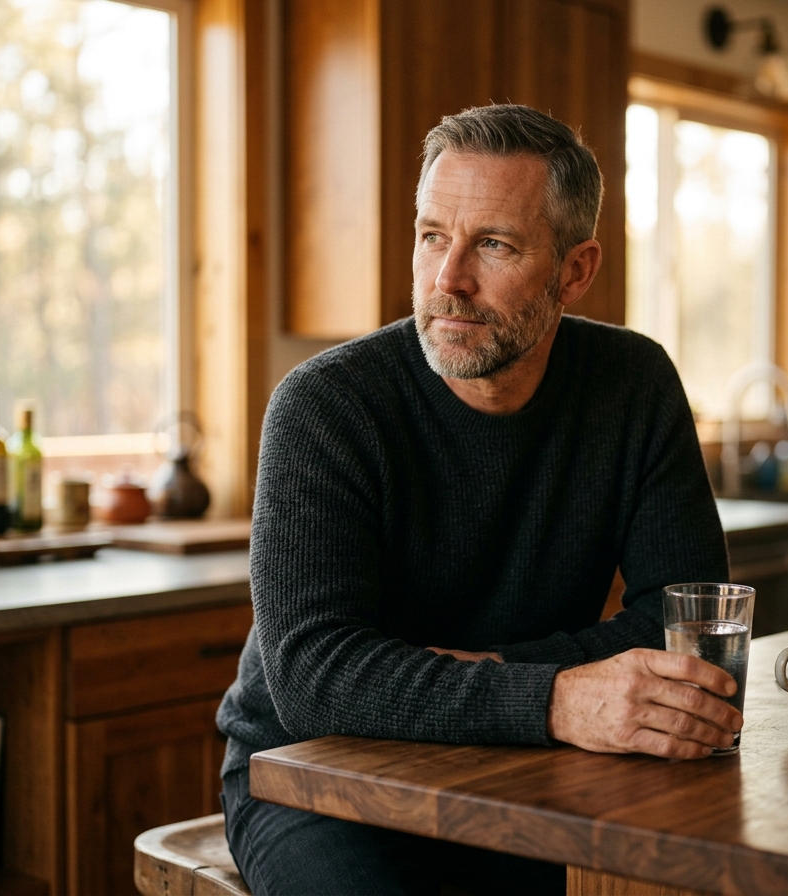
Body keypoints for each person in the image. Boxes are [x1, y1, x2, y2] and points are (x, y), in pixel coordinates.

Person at [216, 104, 739, 896]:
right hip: (315, 777)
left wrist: (505, 678)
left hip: (528, 764)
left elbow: (683, 622)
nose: (447, 280)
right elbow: (316, 676)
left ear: (576, 269)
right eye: (432, 236)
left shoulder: (634, 385)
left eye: (493, 244)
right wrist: (557, 697)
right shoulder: (324, 406)